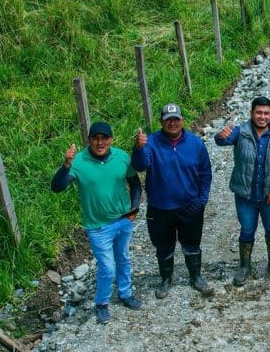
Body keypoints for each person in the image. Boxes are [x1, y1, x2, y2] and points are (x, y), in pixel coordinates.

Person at [51, 121, 142, 325]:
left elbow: (135, 183)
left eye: (104, 138)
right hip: (97, 226)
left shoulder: (121, 157)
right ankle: (101, 303)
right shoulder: (79, 161)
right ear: (89, 140)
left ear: (111, 139)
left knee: (124, 258)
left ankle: (125, 293)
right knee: (107, 267)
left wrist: (134, 209)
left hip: (123, 220)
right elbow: (57, 187)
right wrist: (66, 165)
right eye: (95, 138)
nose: (100, 142)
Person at [133, 103, 213, 298]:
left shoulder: (195, 143)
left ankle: (196, 277)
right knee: (163, 245)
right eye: (168, 120)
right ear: (161, 122)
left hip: (190, 206)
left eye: (176, 119)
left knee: (192, 244)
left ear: (182, 120)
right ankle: (166, 280)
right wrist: (138, 148)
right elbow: (140, 165)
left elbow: (205, 173)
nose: (172, 123)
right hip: (160, 208)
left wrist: (202, 200)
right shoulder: (150, 142)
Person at [214, 97, 270, 285]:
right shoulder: (240, 132)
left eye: (266, 113)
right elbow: (221, 141)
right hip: (245, 195)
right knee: (247, 229)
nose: (262, 116)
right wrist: (220, 135)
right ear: (251, 113)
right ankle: (244, 266)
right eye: (259, 112)